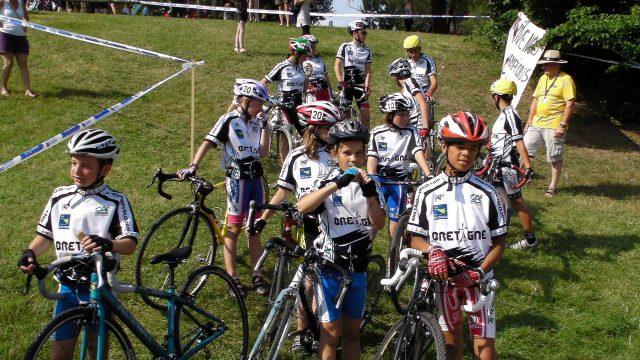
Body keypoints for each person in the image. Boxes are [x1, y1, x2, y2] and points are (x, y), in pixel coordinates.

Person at [18, 128, 138, 358]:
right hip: (67, 288)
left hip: (100, 286)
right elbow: (46, 235)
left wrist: (109, 243)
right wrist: (30, 251)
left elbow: (129, 243)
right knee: (59, 354)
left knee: (95, 351)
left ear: (106, 169)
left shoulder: (115, 201)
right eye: (73, 163)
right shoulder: (59, 196)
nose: (77, 171)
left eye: (86, 166)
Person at [408, 112, 508, 360]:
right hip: (444, 280)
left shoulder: (488, 193)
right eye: (460, 146)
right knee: (452, 346)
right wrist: (432, 251)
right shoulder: (427, 191)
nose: (466, 154)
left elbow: (499, 243)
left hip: (479, 280)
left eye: (473, 149)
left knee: (485, 350)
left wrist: (480, 271)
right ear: (444, 146)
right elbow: (415, 237)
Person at [252, 100, 341, 354]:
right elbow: (282, 192)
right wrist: (263, 218)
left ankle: (317, 327)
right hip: (306, 226)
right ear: (313, 129)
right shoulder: (295, 157)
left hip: (330, 226)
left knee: (318, 281)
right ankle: (302, 330)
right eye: (327, 128)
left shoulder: (335, 156)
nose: (331, 133)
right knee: (306, 282)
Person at [297, 120, 386, 360]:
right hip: (329, 270)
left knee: (353, 334)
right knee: (331, 333)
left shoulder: (373, 183)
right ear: (334, 153)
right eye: (347, 153)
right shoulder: (325, 180)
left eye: (359, 153)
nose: (354, 159)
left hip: (357, 269)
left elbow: (379, 224)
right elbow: (303, 207)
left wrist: (370, 197)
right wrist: (336, 184)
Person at [177, 79, 271, 298]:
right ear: (246, 101)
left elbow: (263, 153)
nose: (262, 107)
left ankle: (257, 272)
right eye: (259, 103)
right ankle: (232, 276)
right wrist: (193, 166)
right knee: (234, 228)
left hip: (256, 179)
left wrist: (265, 127)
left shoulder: (256, 122)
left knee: (255, 227)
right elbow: (208, 142)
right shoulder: (228, 120)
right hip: (238, 180)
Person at [367, 93, 431, 240]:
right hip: (380, 182)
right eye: (401, 115)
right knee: (373, 223)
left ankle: (393, 258)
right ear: (389, 115)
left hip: (400, 183)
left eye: (407, 115)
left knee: (395, 226)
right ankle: (365, 251)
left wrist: (428, 174)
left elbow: (418, 152)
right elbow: (372, 159)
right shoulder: (377, 133)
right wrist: (372, 177)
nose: (406, 119)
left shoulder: (411, 131)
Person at [489, 79, 537, 250]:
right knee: (493, 199)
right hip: (496, 165)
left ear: (497, 96)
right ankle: (493, 236)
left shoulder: (510, 114)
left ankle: (530, 239)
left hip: (507, 167)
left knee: (516, 202)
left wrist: (528, 167)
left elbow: (519, 142)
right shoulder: (504, 114)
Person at [524, 49, 576, 197]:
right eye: (543, 64)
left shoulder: (566, 79)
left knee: (554, 156)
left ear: (556, 65)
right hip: (536, 123)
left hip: (554, 125)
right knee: (525, 150)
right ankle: (524, 178)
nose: (543, 67)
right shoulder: (542, 79)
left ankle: (552, 187)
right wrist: (529, 120)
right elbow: (536, 99)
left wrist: (562, 125)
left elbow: (570, 103)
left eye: (547, 65)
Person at [261, 37, 311, 136]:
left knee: (307, 133)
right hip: (284, 106)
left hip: (298, 105)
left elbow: (304, 90)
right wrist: (269, 97)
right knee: (287, 135)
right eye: (305, 55)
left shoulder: (302, 68)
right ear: (296, 54)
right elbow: (262, 83)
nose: (306, 58)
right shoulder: (282, 67)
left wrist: (307, 76)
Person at [334, 20, 373, 129]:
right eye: (363, 32)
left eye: (365, 32)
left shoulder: (367, 50)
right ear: (355, 33)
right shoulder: (345, 46)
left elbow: (368, 71)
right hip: (347, 86)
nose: (365, 35)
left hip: (360, 87)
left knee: (366, 117)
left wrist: (366, 85)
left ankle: (367, 141)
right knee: (346, 117)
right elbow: (337, 65)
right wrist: (340, 81)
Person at [388, 58, 432, 140]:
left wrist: (425, 127)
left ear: (396, 75)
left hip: (417, 126)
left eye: (393, 75)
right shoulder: (407, 85)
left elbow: (423, 102)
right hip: (410, 124)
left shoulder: (410, 82)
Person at [0, 0, 37, 97]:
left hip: (21, 37)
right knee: (9, 63)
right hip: (5, 35)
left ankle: (28, 90)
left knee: (23, 64)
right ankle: (3, 88)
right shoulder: (2, 2)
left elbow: (26, 18)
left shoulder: (21, 3)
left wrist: (25, 26)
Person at [403, 35, 438, 103]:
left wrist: (429, 93)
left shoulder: (428, 61)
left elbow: (434, 82)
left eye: (415, 51)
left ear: (420, 50)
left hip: (424, 95)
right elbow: (404, 83)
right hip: (409, 96)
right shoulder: (406, 63)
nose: (413, 55)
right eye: (410, 52)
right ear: (407, 52)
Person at [302, 34, 334, 103]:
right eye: (312, 47)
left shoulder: (320, 60)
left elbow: (326, 77)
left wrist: (331, 93)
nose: (314, 49)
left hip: (323, 91)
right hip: (311, 93)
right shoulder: (301, 62)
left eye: (315, 46)